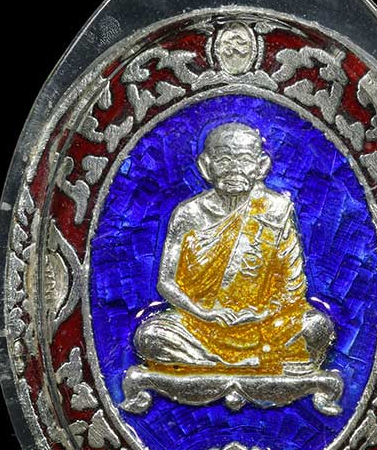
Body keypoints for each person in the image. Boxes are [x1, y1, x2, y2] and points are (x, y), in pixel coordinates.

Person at [134, 122, 334, 376]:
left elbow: (292, 286)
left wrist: (261, 314)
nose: (234, 168)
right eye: (224, 159)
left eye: (244, 159)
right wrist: (205, 313)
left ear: (261, 166)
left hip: (264, 326)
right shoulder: (188, 214)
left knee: (317, 327)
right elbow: (166, 282)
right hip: (200, 326)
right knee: (149, 336)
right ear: (205, 166)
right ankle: (251, 365)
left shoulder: (275, 209)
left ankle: (216, 365)